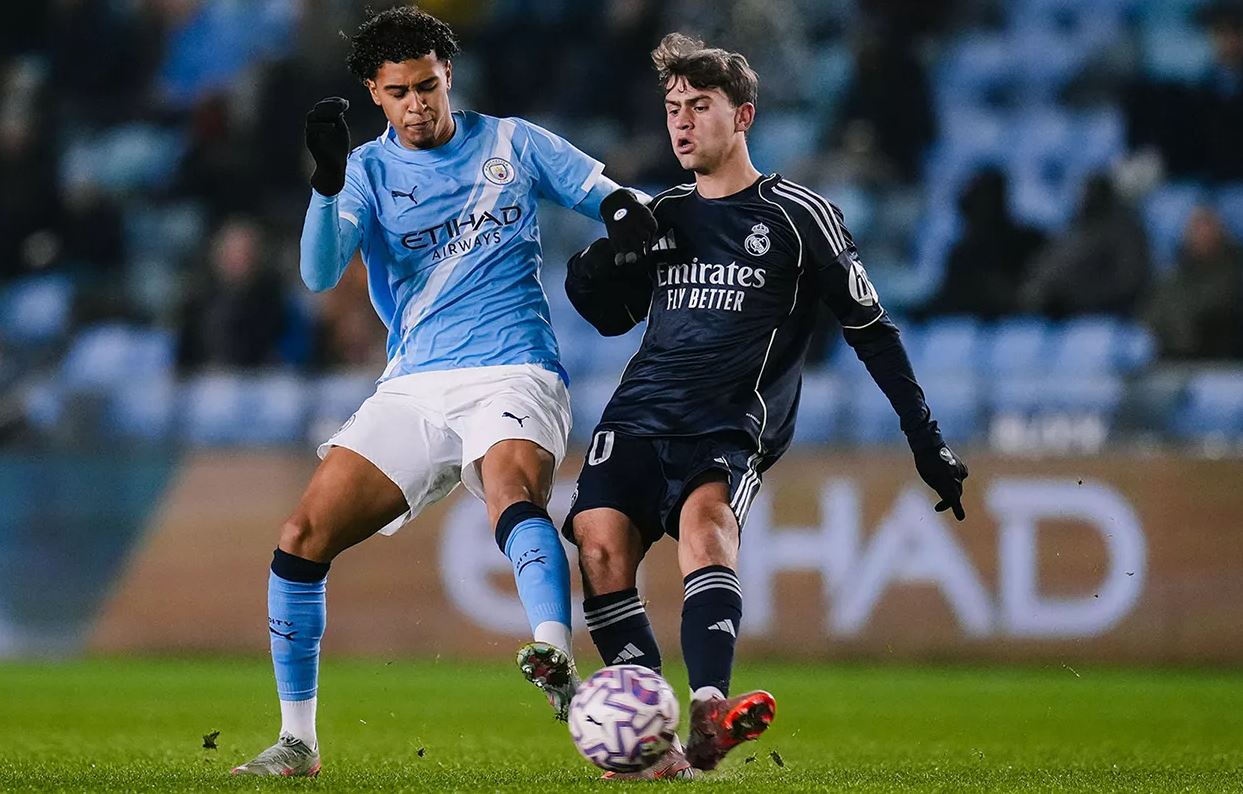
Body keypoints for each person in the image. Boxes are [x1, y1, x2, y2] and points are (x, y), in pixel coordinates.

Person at [231, 7, 656, 777]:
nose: (417, 104)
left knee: (509, 491)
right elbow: (320, 275)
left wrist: (632, 221)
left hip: (513, 368)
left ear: (447, 75)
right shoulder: (363, 170)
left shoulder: (512, 143)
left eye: (428, 86)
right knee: (300, 538)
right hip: (415, 385)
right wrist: (326, 185)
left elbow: (609, 195)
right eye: (398, 93)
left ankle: (554, 656)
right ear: (374, 92)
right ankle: (298, 741)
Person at [561, 33, 969, 779]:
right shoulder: (664, 213)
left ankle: (709, 711)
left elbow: (870, 330)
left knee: (707, 527)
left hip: (727, 422)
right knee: (597, 550)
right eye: (672, 109)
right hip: (636, 415)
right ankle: (652, 739)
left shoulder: (797, 213)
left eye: (700, 106)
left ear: (742, 115)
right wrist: (601, 260)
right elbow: (605, 313)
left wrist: (925, 441)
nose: (681, 122)